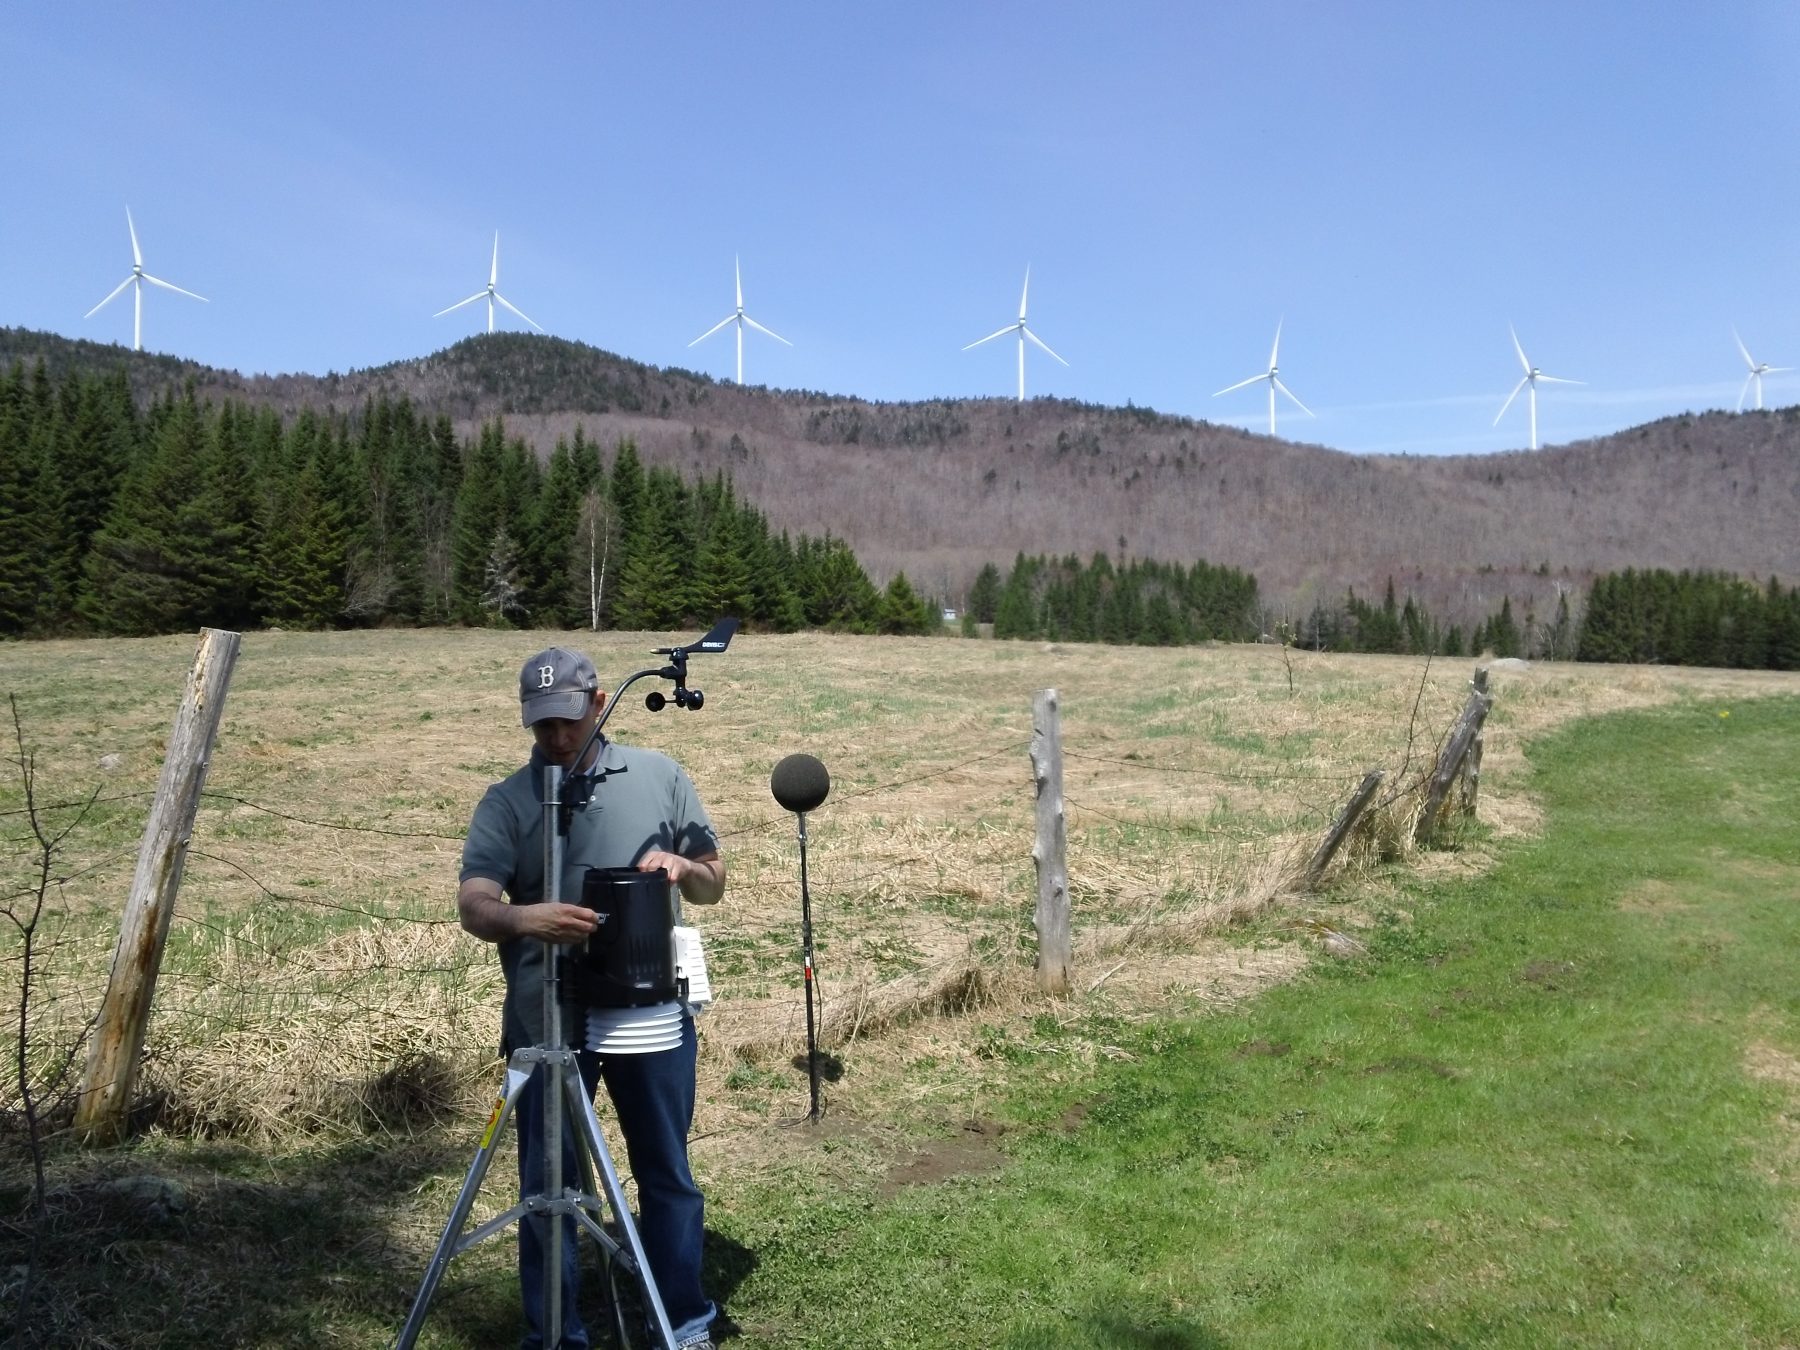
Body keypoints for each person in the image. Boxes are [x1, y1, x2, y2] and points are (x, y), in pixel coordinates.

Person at [458, 645, 725, 1350]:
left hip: (646, 1014)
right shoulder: (508, 801)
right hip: (545, 1019)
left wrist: (680, 866)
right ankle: (555, 1334)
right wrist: (524, 918)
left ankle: (682, 1321)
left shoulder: (660, 776)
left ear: (598, 703)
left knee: (665, 1169)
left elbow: (713, 879)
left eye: (567, 722)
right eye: (541, 725)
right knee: (549, 1183)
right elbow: (475, 903)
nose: (555, 738)